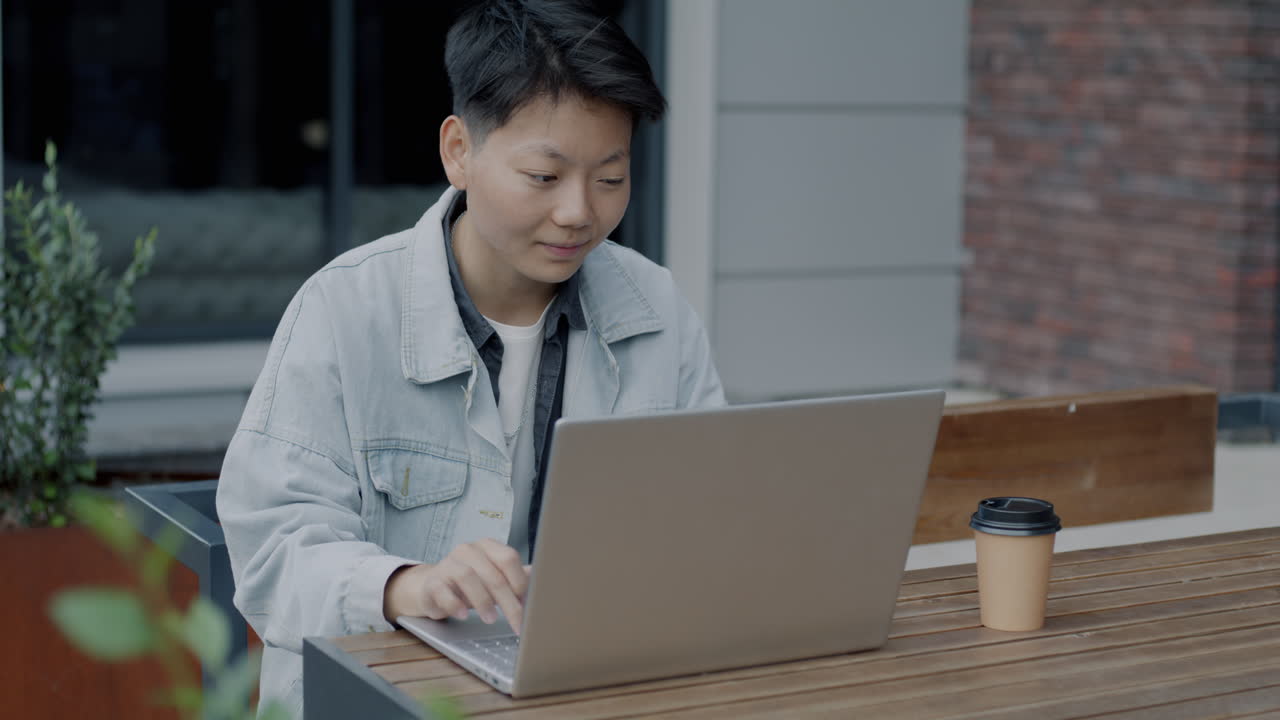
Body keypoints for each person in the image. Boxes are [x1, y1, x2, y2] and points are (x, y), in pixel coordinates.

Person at [215, 0, 726, 714]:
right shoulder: (344, 311)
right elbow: (272, 556)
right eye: (545, 178)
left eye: (609, 178)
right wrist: (404, 587)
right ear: (459, 151)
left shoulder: (657, 308)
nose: (580, 212)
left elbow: (713, 517)